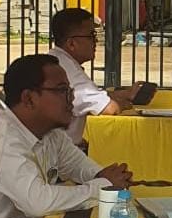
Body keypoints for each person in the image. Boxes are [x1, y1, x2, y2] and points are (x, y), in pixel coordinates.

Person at [0, 54, 132, 218]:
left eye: (70, 91)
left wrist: (104, 176)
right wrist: (104, 186)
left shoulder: (52, 134)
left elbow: (79, 166)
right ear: (28, 98)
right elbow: (37, 203)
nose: (71, 98)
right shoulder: (1, 138)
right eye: (61, 90)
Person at [47, 8, 141, 145]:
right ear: (72, 43)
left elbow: (92, 96)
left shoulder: (57, 60)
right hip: (58, 155)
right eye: (91, 35)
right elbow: (109, 108)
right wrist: (126, 104)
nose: (95, 41)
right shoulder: (70, 72)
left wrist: (126, 93)